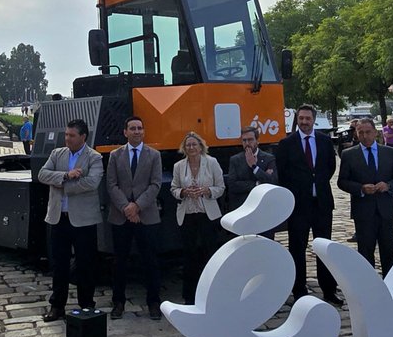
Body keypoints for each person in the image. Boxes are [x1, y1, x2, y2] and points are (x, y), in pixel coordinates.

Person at [275, 105, 343, 306]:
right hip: (298, 205)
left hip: (321, 203)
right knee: (297, 248)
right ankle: (299, 290)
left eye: (308, 118)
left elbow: (330, 167)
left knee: (324, 248)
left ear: (314, 120)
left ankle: (329, 290)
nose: (304, 122)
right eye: (301, 118)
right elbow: (283, 173)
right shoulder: (286, 143)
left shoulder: (324, 141)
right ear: (297, 119)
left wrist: (317, 184)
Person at [37, 119, 104, 322]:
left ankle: (86, 305)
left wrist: (63, 185)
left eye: (72, 135)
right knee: (59, 265)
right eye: (66, 135)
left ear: (83, 137)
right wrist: (66, 175)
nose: (67, 138)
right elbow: (42, 174)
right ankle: (57, 306)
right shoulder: (57, 154)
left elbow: (92, 183)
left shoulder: (94, 157)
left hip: (83, 221)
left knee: (85, 264)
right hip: (58, 219)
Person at [105, 116, 163, 320]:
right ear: (125, 132)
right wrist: (126, 208)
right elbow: (111, 184)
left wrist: (137, 206)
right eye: (132, 128)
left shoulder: (154, 155)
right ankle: (118, 302)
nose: (137, 131)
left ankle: (154, 302)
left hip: (146, 216)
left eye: (140, 128)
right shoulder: (115, 155)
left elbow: (155, 184)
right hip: (121, 217)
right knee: (119, 262)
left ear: (144, 131)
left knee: (150, 261)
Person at [338, 118, 393, 277]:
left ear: (375, 133)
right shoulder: (349, 155)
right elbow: (342, 181)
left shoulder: (389, 152)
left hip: (386, 210)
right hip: (363, 211)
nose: (365, 136)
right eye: (361, 132)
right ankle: (368, 289)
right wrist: (360, 188)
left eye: (368, 132)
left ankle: (390, 287)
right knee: (365, 253)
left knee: (389, 252)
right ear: (356, 134)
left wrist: (388, 186)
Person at [171, 132, 225, 304]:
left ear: (201, 146)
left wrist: (206, 191)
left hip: (207, 215)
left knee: (208, 254)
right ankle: (190, 296)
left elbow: (221, 187)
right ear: (184, 148)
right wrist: (184, 192)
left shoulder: (212, 162)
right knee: (189, 256)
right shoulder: (179, 166)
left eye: (194, 144)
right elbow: (174, 188)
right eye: (188, 145)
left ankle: (211, 293)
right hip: (187, 215)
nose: (191, 148)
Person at [225, 127, 279, 236]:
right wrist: (258, 184)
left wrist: (254, 167)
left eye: (250, 140)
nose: (247, 143)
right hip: (243, 210)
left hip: (263, 210)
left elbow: (272, 182)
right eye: (244, 140)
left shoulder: (268, 158)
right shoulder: (235, 160)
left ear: (257, 141)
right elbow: (233, 185)